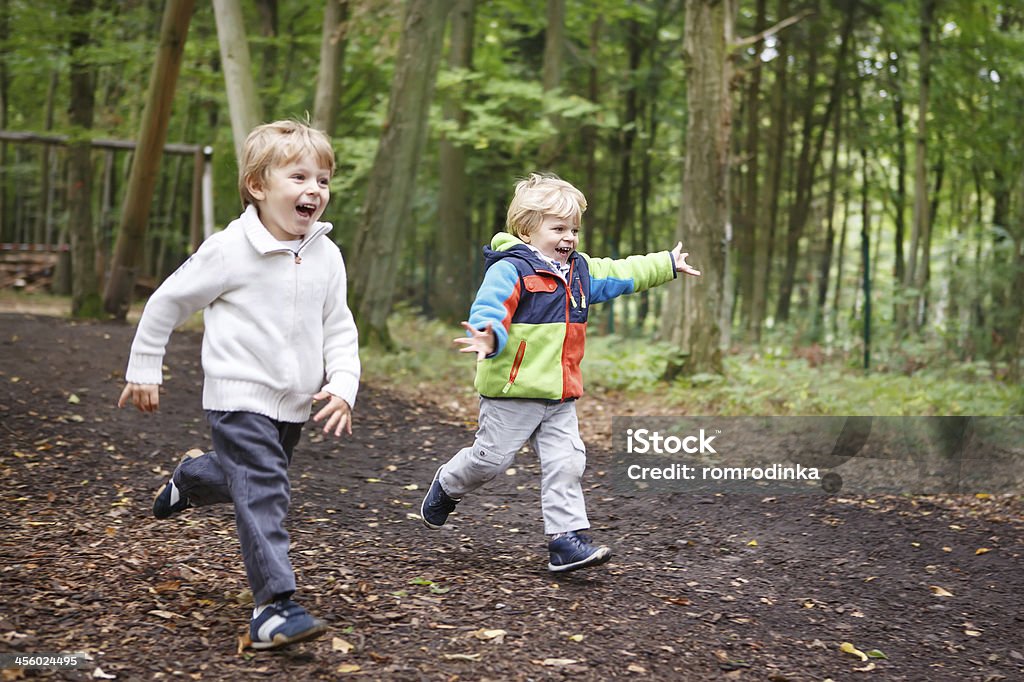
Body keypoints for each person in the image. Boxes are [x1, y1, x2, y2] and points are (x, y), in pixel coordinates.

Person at [118, 120, 359, 649]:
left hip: (293, 403)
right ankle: (274, 606)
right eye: (299, 177)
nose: (314, 190)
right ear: (258, 185)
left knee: (248, 480)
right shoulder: (230, 249)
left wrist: (343, 384)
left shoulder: (326, 254)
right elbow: (167, 302)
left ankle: (192, 477)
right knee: (267, 489)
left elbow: (339, 325)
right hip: (238, 397)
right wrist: (143, 367)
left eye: (323, 179)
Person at [420, 172, 701, 572]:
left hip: (559, 395)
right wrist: (488, 335)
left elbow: (624, 273)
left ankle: (566, 541)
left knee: (568, 462)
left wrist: (666, 263)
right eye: (558, 228)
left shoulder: (581, 273)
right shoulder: (510, 269)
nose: (569, 237)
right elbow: (491, 307)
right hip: (512, 393)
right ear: (527, 229)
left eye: (574, 229)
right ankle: (449, 483)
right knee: (491, 462)